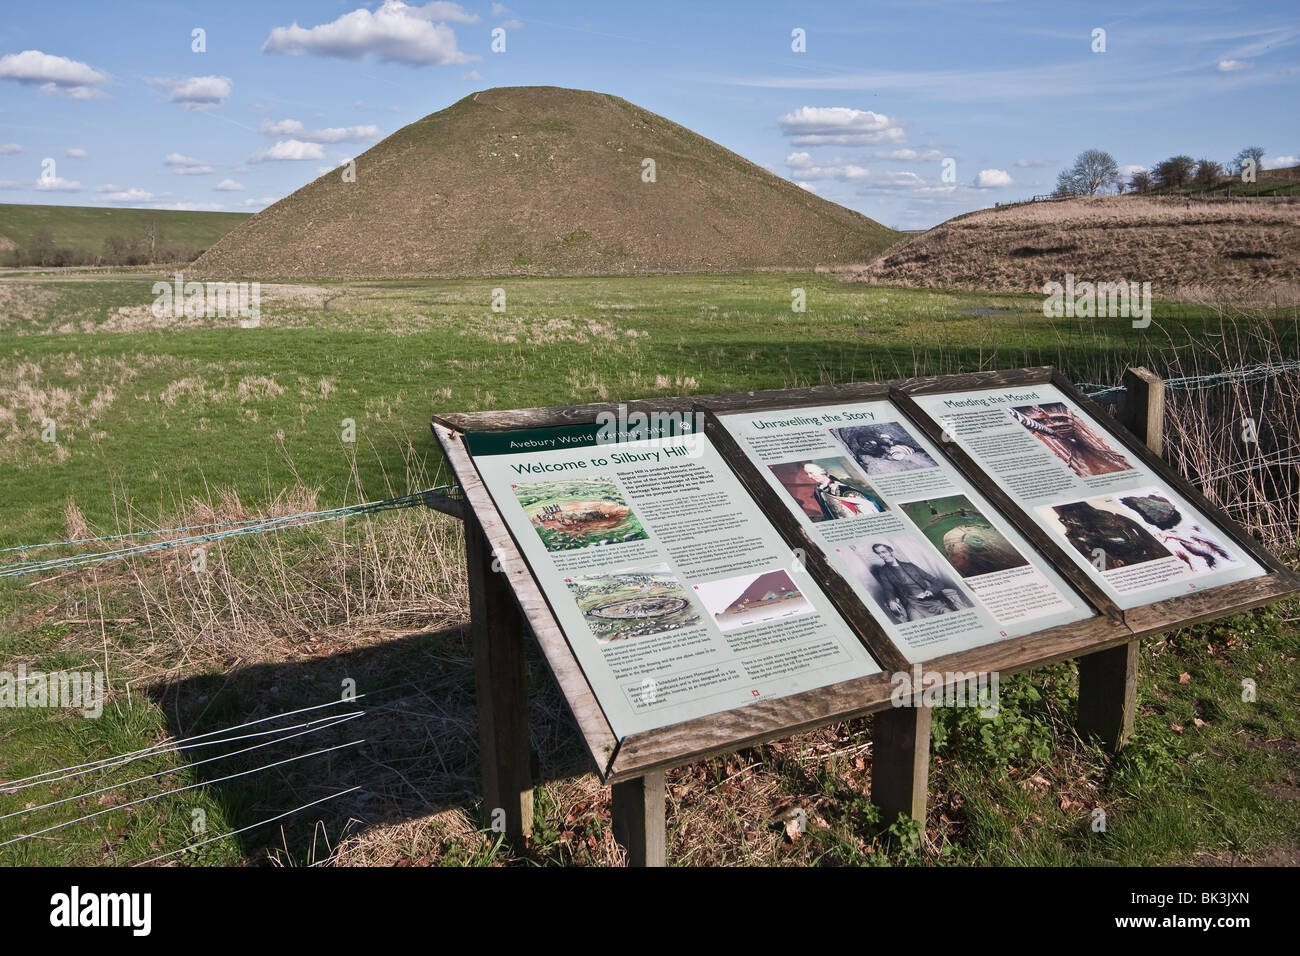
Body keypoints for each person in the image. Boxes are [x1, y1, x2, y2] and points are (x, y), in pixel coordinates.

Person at [868, 543, 966, 621]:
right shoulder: (884, 572)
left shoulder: (910, 566)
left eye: (883, 552)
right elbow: (888, 589)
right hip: (912, 604)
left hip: (931, 600)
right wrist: (891, 601)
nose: (882, 556)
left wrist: (930, 591)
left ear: (891, 552)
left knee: (949, 615)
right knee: (917, 622)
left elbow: (936, 582)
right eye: (879, 553)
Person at [802, 463, 885, 520]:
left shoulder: (840, 487)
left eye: (811, 473)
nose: (810, 476)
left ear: (821, 472)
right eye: (808, 474)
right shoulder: (817, 492)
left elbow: (867, 503)